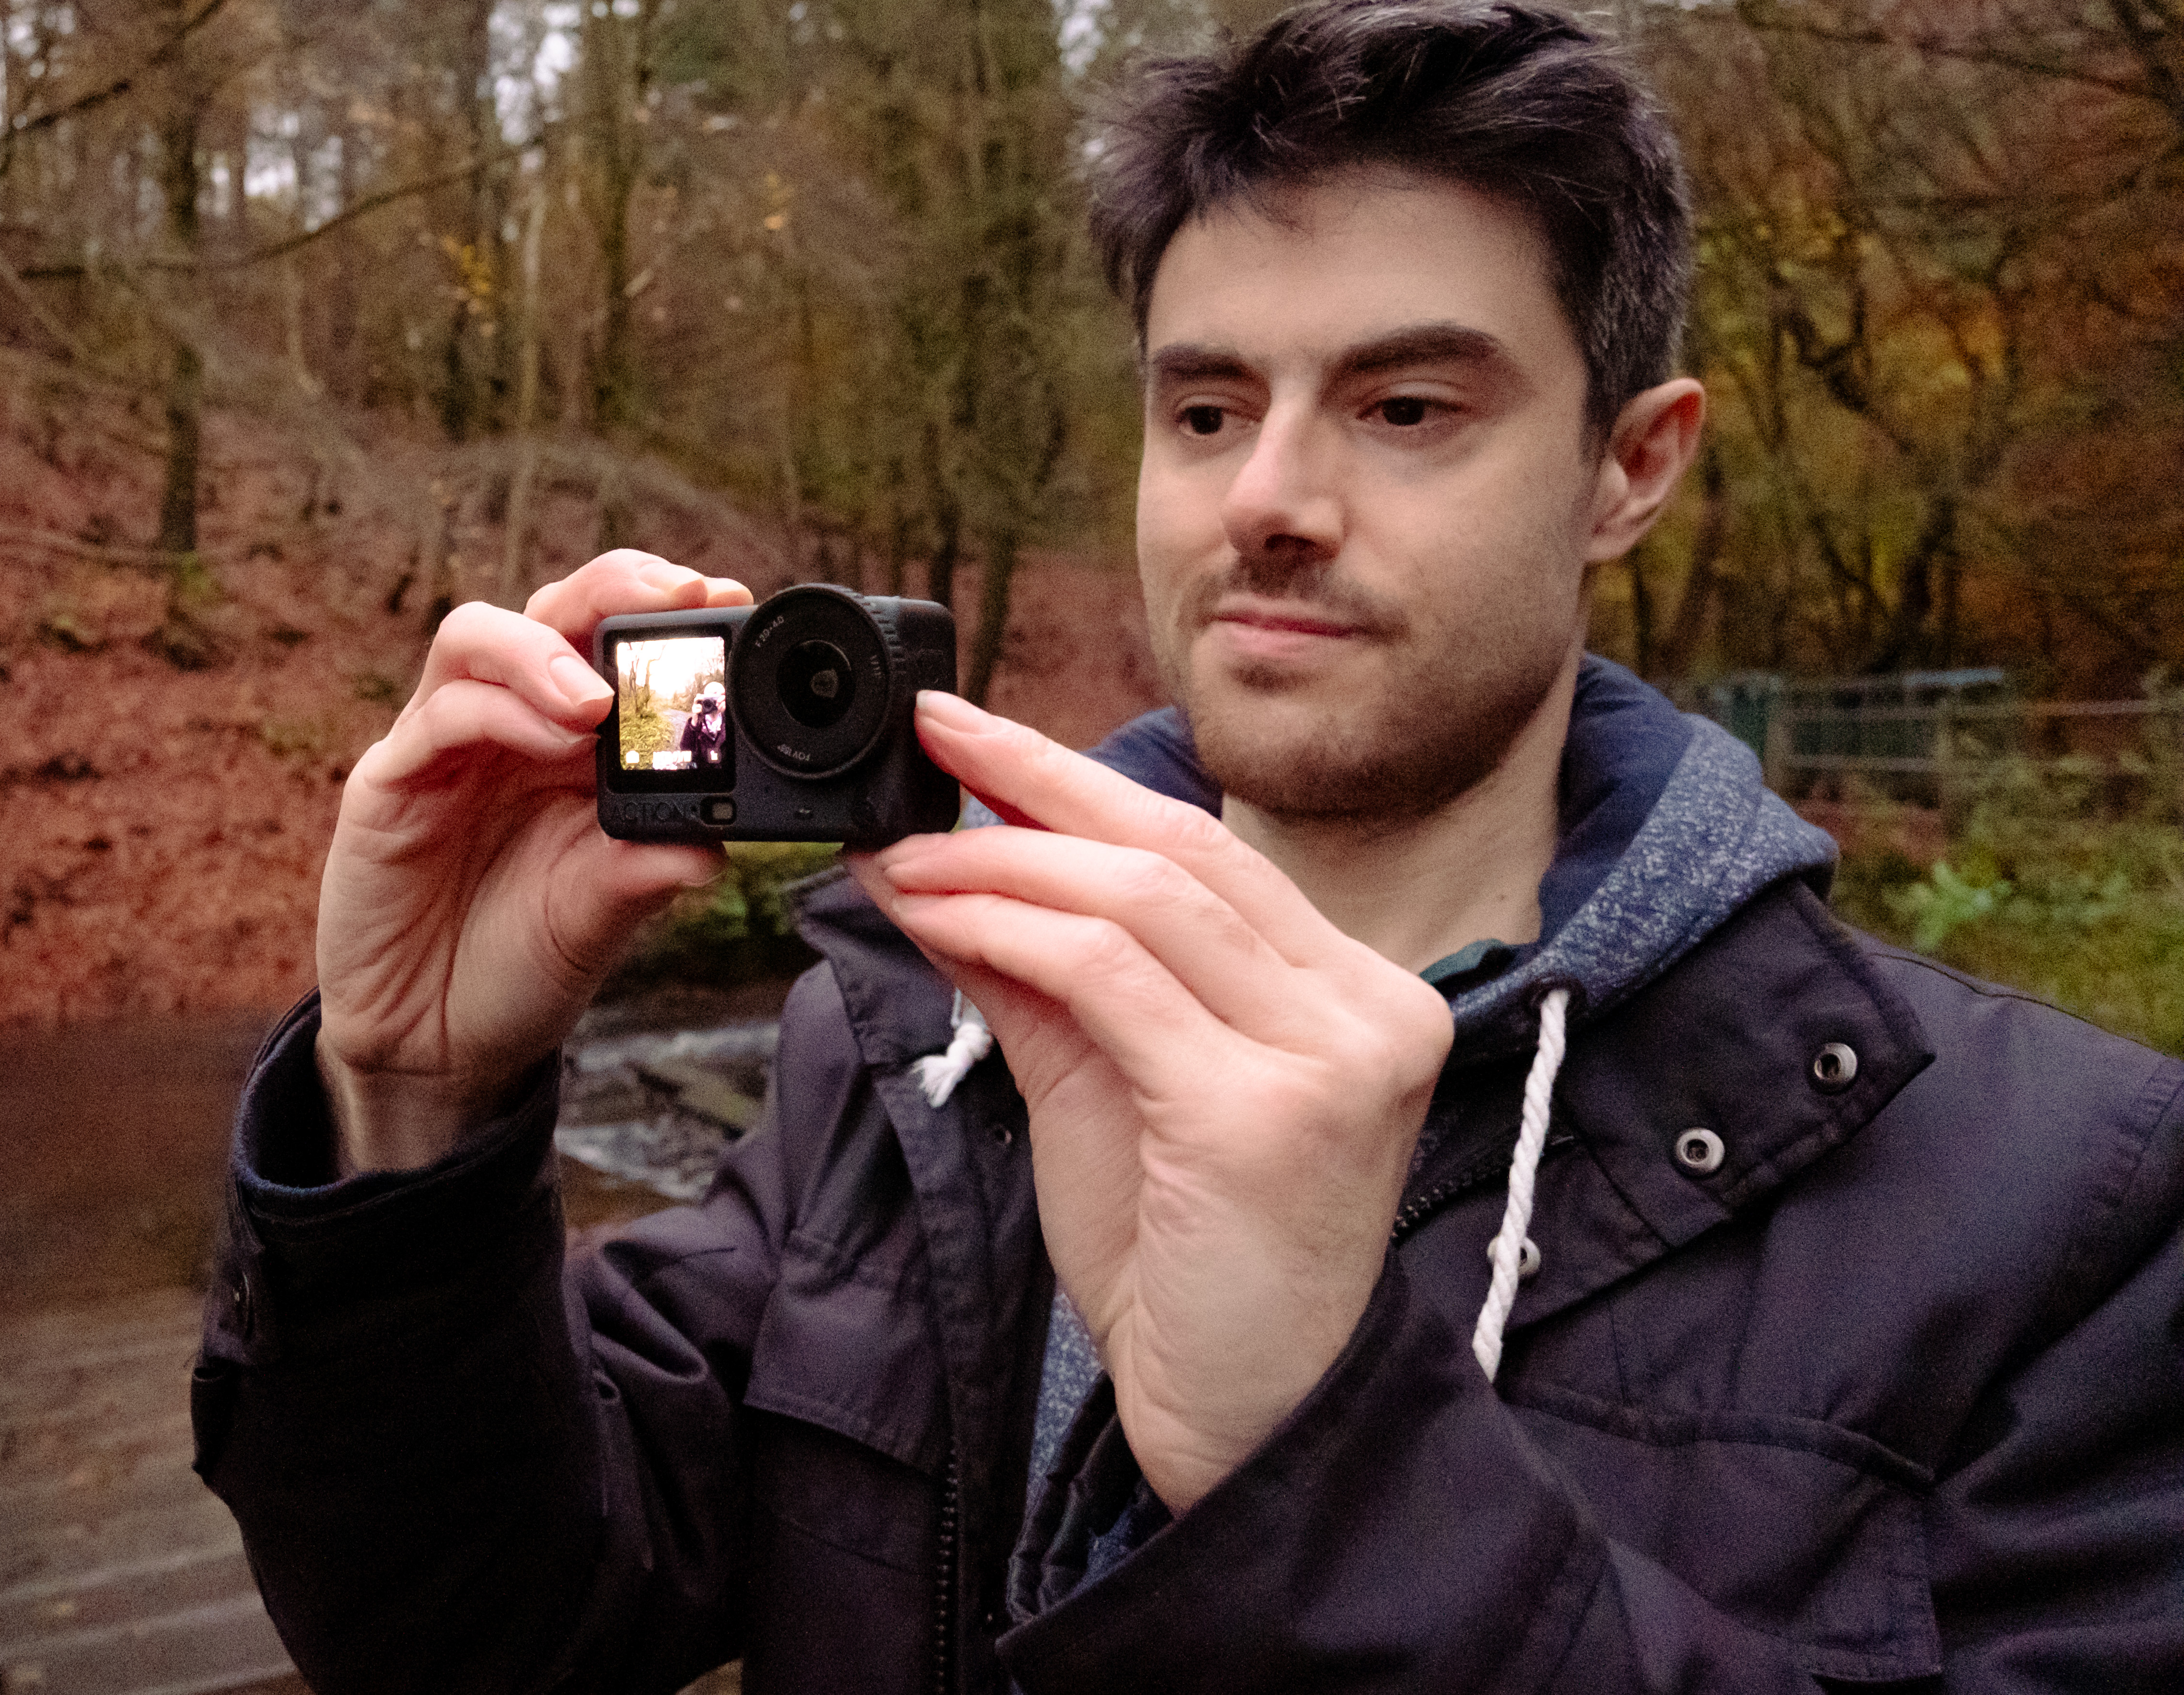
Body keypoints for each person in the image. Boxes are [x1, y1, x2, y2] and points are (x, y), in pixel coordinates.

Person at [192, 2, 2184, 1689]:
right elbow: (469, 1623)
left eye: (1407, 405)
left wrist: (1317, 1454)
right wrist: (410, 1118)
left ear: (1631, 466)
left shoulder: (2060, 1219)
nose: (1273, 501)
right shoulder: (911, 1046)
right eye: (1209, 410)